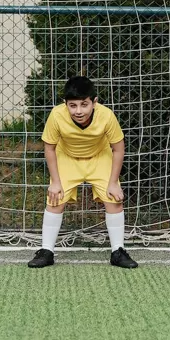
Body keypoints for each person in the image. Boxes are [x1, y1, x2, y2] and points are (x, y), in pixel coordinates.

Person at [28, 75, 138, 269]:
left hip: (99, 157)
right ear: (65, 104)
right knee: (55, 199)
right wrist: (55, 181)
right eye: (73, 106)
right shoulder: (56, 115)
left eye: (84, 104)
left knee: (114, 198)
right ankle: (46, 251)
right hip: (67, 157)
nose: (79, 111)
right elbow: (50, 148)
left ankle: (118, 251)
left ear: (94, 102)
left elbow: (119, 149)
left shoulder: (106, 115)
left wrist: (113, 182)